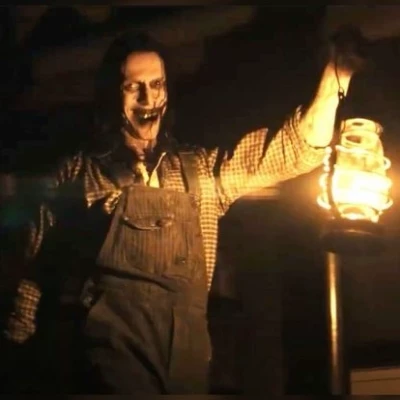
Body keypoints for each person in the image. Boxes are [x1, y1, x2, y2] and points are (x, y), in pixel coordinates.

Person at [0, 27, 366, 394]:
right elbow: (30, 281)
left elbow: (291, 150)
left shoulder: (200, 173)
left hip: (185, 377)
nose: (148, 98)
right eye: (133, 87)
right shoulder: (77, 175)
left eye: (156, 85)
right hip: (103, 376)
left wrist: (336, 77)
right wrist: (15, 368)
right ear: (112, 94)